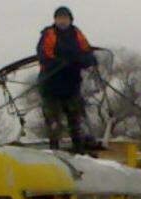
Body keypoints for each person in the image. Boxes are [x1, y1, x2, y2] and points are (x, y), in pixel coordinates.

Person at [37, 6, 96, 153]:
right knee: (53, 122)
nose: (62, 21)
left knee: (75, 120)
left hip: (72, 85)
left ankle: (79, 150)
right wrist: (61, 62)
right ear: (55, 20)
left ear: (70, 20)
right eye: (59, 18)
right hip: (51, 85)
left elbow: (88, 54)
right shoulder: (49, 34)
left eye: (65, 18)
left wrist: (80, 60)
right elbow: (44, 56)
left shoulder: (77, 34)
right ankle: (54, 150)